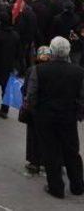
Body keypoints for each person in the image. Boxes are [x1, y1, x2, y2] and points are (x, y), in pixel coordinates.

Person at [26, 37, 84, 199]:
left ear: (51, 51)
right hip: (68, 117)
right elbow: (81, 96)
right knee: (72, 151)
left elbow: (31, 95)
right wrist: (78, 113)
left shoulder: (40, 70)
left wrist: (33, 110)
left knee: (51, 152)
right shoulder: (78, 72)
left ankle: (56, 187)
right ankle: (78, 185)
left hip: (45, 117)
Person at [20, 46, 52, 176]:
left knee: (33, 136)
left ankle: (34, 161)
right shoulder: (52, 71)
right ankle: (45, 162)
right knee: (47, 137)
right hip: (48, 109)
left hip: (34, 109)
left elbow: (26, 89)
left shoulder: (32, 70)